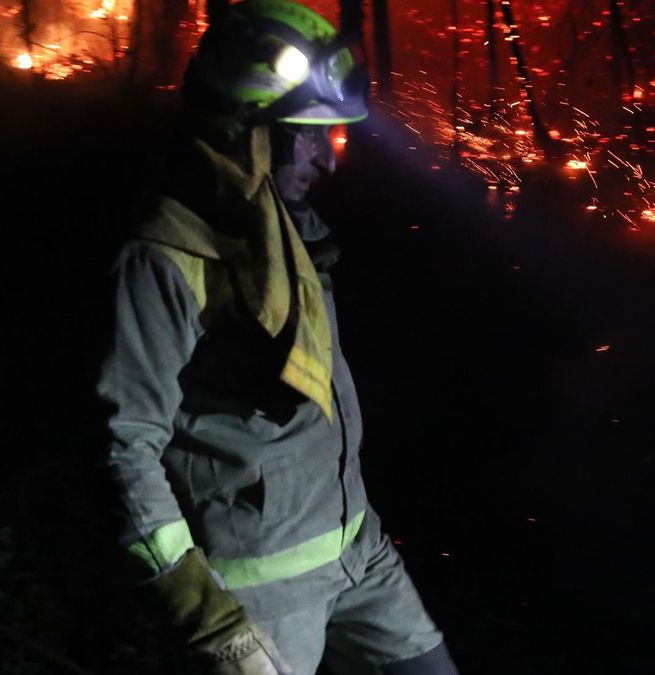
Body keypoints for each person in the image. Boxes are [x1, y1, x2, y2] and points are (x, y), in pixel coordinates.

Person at [95, 2, 460, 673]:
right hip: (260, 589)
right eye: (308, 138)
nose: (327, 161)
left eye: (332, 138)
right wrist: (207, 615)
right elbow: (123, 449)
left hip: (360, 551)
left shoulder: (287, 233)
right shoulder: (165, 257)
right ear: (245, 135)